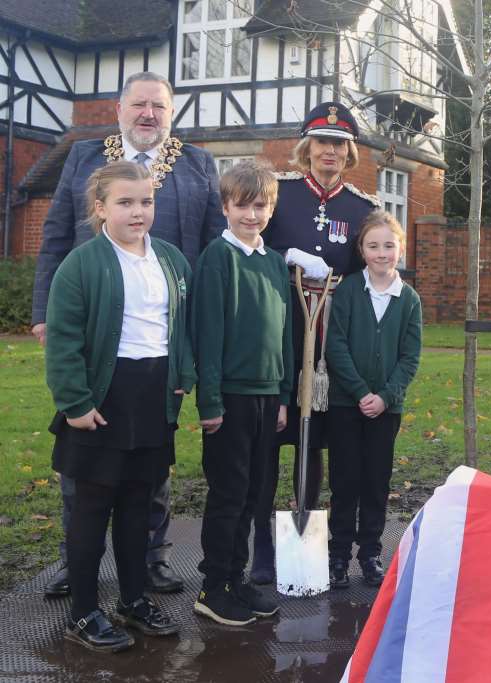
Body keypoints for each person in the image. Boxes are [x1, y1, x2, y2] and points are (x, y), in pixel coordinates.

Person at [32, 71, 224, 597]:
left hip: (162, 338)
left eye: (158, 106)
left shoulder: (197, 163)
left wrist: (201, 341)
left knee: (152, 452)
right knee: (86, 454)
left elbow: (209, 252)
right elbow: (54, 235)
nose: (148, 114)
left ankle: (151, 556)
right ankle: (80, 560)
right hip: (94, 331)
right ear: (119, 108)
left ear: (171, 112)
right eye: (138, 104)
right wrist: (46, 309)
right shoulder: (83, 155)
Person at [45, 161, 191, 652]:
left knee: (137, 506)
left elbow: (181, 327)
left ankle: (132, 599)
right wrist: (74, 402)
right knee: (91, 509)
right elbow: (63, 341)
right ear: (100, 207)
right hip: (101, 399)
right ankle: (84, 611)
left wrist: (181, 380)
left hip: (152, 397)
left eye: (145, 201)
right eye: (125, 202)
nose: (137, 211)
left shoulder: (170, 259)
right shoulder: (82, 264)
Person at [250, 102, 382, 584]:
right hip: (281, 330)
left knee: (317, 442)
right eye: (322, 142)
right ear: (307, 148)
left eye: (339, 144)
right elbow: (251, 239)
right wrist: (291, 256)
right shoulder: (279, 195)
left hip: (332, 341)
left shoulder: (361, 208)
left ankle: (309, 535)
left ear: (349, 152)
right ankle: (262, 546)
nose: (330, 151)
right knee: (270, 435)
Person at [191, 161, 292, 625]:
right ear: (226, 207)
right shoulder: (218, 258)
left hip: (268, 396)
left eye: (261, 206)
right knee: (228, 492)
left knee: (255, 492)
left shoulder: (274, 264)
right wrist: (209, 401)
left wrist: (284, 395)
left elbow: (286, 335)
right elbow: (207, 335)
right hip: (229, 396)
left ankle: (238, 580)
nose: (252, 215)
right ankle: (215, 586)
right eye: (243, 206)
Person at [324, 209, 422, 588]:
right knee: (345, 481)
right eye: (373, 246)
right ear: (362, 250)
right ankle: (337, 555)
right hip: (346, 405)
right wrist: (360, 392)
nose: (381, 253)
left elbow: (410, 357)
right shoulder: (348, 290)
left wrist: (384, 396)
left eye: (388, 246)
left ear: (400, 249)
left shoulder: (409, 299)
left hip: (386, 409)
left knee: (376, 482)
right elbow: (336, 346)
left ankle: (370, 554)